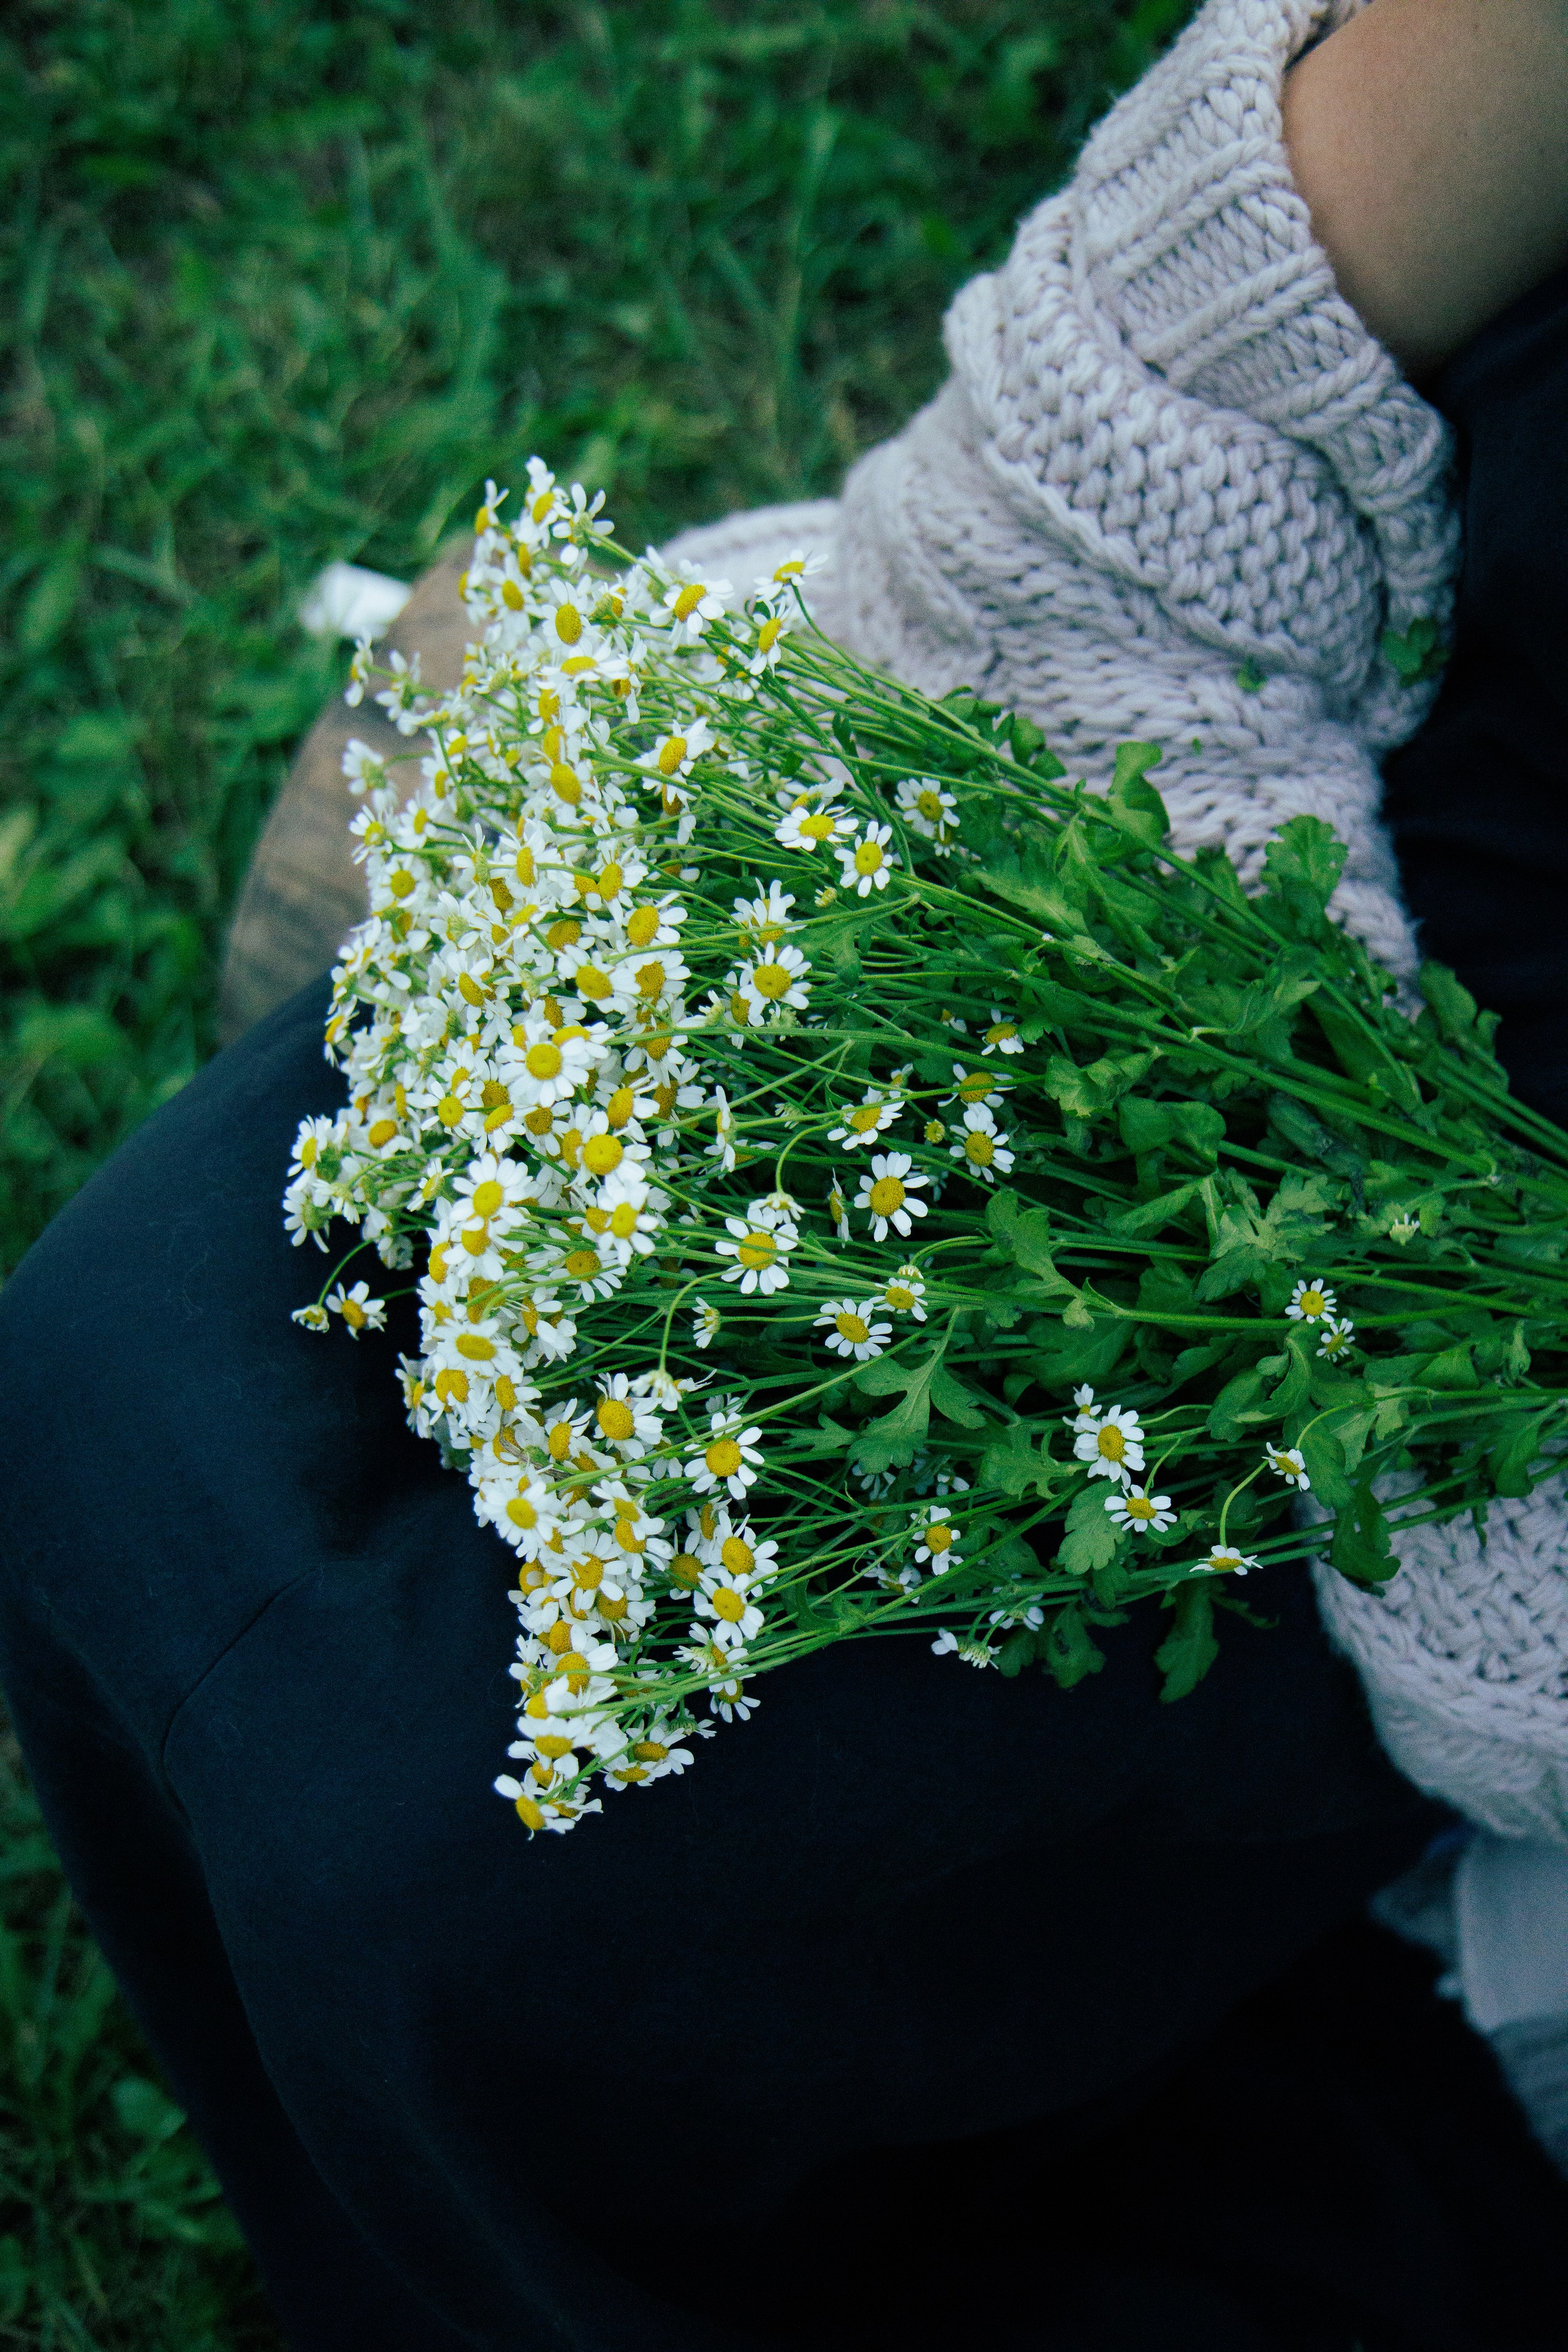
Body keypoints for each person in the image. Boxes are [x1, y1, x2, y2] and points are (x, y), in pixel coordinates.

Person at [1, 4, 1566, 2345]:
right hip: (1322, 798)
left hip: (1462, 1353)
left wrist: (1437, 1407)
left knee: (448, 1870)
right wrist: (1111, 622)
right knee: (127, 1389)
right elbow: (1247, 285)